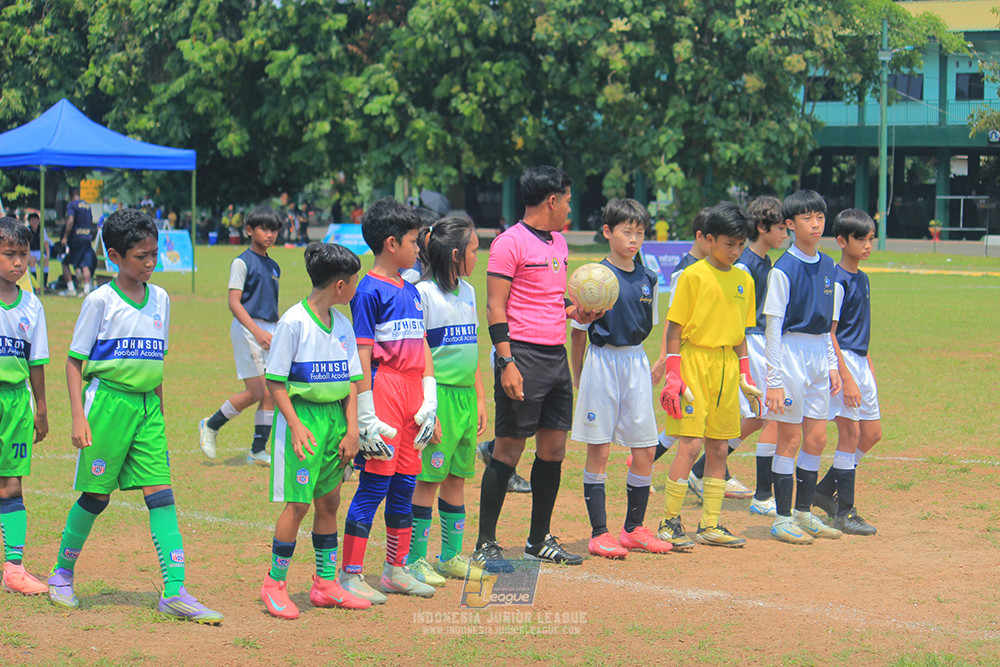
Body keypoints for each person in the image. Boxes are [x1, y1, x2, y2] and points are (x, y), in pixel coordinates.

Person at [47, 208, 223, 623]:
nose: (150, 262)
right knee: (96, 496)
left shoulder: (161, 298)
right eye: (141, 255)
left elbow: (157, 359)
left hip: (147, 411)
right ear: (114, 255)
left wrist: (158, 409)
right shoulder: (99, 301)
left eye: (154, 254)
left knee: (161, 495)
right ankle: (61, 573)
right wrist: (78, 418)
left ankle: (175, 589)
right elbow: (74, 362)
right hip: (107, 406)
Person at [474, 166, 600, 567]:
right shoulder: (508, 243)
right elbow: (495, 305)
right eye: (566, 199)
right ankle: (485, 544)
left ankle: (537, 539)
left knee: (554, 449)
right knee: (510, 447)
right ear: (551, 200)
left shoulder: (559, 243)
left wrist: (576, 309)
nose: (569, 206)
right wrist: (507, 361)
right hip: (522, 355)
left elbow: (550, 299)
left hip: (555, 355)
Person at [259, 243, 372, 618]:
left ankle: (325, 584)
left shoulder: (342, 324)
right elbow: (275, 382)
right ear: (340, 285)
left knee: (329, 502)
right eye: (354, 281)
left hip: (337, 423)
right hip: (304, 421)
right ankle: (274, 584)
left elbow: (354, 382)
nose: (356, 287)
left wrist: (352, 430)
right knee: (298, 504)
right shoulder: (293, 322)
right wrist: (294, 425)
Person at [339, 198, 438, 604]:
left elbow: (423, 343)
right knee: (374, 487)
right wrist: (365, 415)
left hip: (414, 393)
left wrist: (430, 396)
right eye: (414, 242)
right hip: (384, 392)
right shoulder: (367, 291)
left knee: (406, 485)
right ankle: (349, 574)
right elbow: (361, 353)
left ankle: (395, 571)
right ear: (392, 243)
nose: (419, 249)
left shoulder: (412, 290)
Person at [570, 199, 673, 559]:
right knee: (599, 448)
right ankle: (600, 533)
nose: (634, 239)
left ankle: (633, 529)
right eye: (626, 231)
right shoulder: (593, 277)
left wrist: (659, 361)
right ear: (607, 232)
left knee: (644, 448)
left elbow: (653, 327)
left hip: (635, 362)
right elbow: (578, 331)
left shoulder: (649, 278)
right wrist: (579, 373)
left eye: (639, 233)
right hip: (602, 362)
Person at [656, 202, 759, 549]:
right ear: (710, 239)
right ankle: (670, 522)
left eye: (741, 245)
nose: (735, 251)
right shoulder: (693, 276)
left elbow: (742, 334)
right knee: (690, 444)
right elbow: (674, 330)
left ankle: (710, 524)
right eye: (729, 243)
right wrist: (674, 375)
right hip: (694, 363)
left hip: (727, 367)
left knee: (718, 447)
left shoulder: (745, 279)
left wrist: (745, 376)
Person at [687, 197, 788, 510]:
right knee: (760, 414)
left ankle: (705, 469)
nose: (786, 233)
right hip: (744, 343)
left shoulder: (762, 262)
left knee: (759, 416)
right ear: (763, 227)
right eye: (782, 227)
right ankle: (746, 487)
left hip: (753, 342)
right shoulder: (742, 265)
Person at [408, 216, 489, 585]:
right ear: (456, 254)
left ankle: (451, 556)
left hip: (466, 400)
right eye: (474, 249)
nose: (479, 254)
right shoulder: (423, 293)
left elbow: (471, 347)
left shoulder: (469, 291)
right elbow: (420, 353)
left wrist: (481, 400)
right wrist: (430, 409)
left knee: (457, 477)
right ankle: (414, 559)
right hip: (437, 399)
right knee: (428, 480)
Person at [763, 190, 843, 544]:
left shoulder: (828, 266)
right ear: (790, 225)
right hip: (791, 352)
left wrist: (832, 365)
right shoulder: (783, 269)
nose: (816, 223)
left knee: (818, 437)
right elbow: (773, 328)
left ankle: (803, 512)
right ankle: (781, 518)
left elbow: (827, 326)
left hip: (816, 354)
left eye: (820, 216)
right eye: (807, 218)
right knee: (790, 437)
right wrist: (774, 380)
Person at [812, 209, 881, 535]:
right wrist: (847, 374)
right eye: (861, 239)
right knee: (850, 435)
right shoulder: (837, 281)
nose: (868, 244)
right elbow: (831, 332)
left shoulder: (862, 278)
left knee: (872, 433)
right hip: (843, 363)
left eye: (871, 238)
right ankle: (845, 511)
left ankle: (824, 489)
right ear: (842, 241)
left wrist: (867, 368)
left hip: (860, 361)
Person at [199, 206, 282, 466]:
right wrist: (256, 332)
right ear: (249, 230)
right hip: (248, 328)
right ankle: (210, 425)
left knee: (271, 391)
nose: (269, 234)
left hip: (269, 329)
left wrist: (276, 331)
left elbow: (270, 303)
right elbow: (234, 303)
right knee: (256, 391)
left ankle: (258, 450)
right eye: (263, 229)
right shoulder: (241, 262)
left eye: (273, 230)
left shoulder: (274, 266)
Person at [0, 217, 49, 595]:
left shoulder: (32, 305)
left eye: (23, 254)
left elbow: (36, 362)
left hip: (16, 402)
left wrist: (42, 409)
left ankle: (14, 568)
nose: (18, 262)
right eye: (9, 254)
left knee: (12, 483)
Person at [649, 208, 711, 465]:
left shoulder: (709, 267)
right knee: (690, 423)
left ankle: (642, 462)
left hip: (706, 357)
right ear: (700, 236)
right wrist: (665, 359)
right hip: (687, 357)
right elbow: (674, 320)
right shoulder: (685, 271)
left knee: (687, 424)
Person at [60, 188, 97, 296]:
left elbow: (70, 220)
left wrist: (65, 236)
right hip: (86, 238)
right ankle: (86, 290)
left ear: (71, 195)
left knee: (65, 262)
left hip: (75, 239)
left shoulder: (71, 205)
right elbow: (91, 221)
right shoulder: (87, 205)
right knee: (85, 264)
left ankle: (71, 289)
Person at [26, 212, 50, 293]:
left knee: (45, 262)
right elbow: (27, 244)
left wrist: (47, 255)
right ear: (29, 221)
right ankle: (36, 286)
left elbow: (46, 242)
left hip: (39, 251)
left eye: (36, 220)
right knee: (32, 261)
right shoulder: (27, 230)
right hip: (31, 251)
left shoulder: (41, 230)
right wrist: (28, 256)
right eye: (33, 220)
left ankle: (44, 285)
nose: (34, 222)